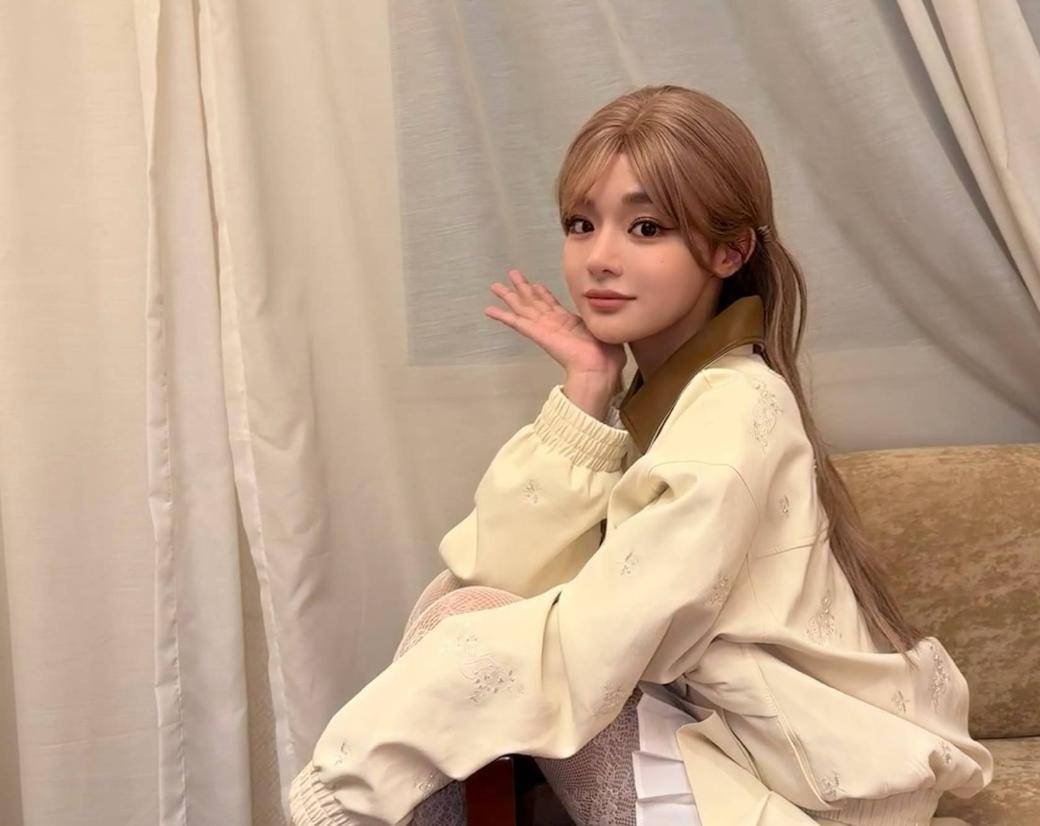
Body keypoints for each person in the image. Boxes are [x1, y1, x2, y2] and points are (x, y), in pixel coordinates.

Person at [289, 84, 993, 826]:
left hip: (808, 789)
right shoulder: (668, 398)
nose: (599, 259)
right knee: (474, 617)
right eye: (581, 223)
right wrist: (587, 387)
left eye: (646, 227)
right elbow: (500, 575)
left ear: (729, 250)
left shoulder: (735, 408)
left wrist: (339, 793)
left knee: (482, 640)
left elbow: (599, 641)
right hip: (735, 742)